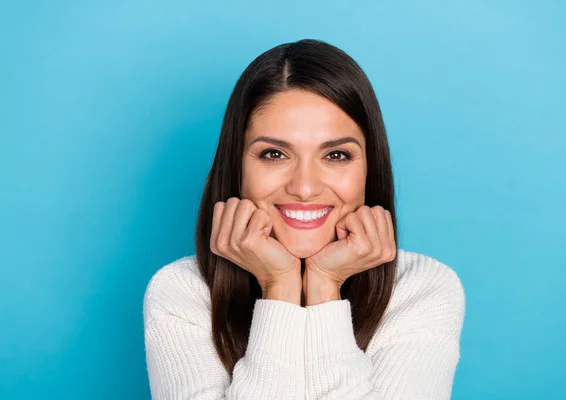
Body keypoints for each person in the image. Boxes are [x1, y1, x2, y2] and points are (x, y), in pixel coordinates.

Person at [143, 38, 465, 399]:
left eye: (337, 155)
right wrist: (279, 287)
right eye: (275, 154)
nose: (305, 188)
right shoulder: (182, 293)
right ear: (237, 168)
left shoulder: (423, 289)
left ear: (369, 169)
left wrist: (324, 286)